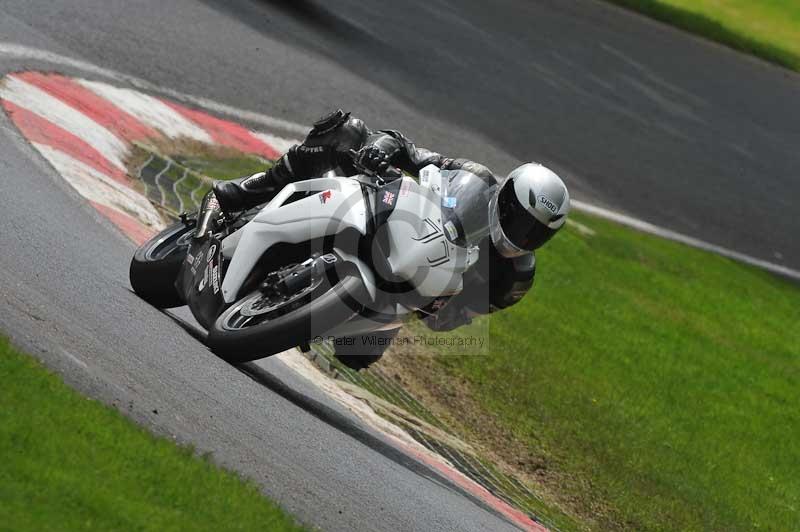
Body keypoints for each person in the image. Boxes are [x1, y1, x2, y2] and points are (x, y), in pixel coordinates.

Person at [213, 109, 570, 334]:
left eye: (536, 233)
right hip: (397, 227)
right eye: (522, 221)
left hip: (404, 295)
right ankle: (251, 189)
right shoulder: (474, 179)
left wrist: (444, 310)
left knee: (361, 353)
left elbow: (454, 320)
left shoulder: (514, 277)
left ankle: (288, 311)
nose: (523, 236)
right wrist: (380, 152)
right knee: (349, 133)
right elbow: (407, 149)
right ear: (506, 197)